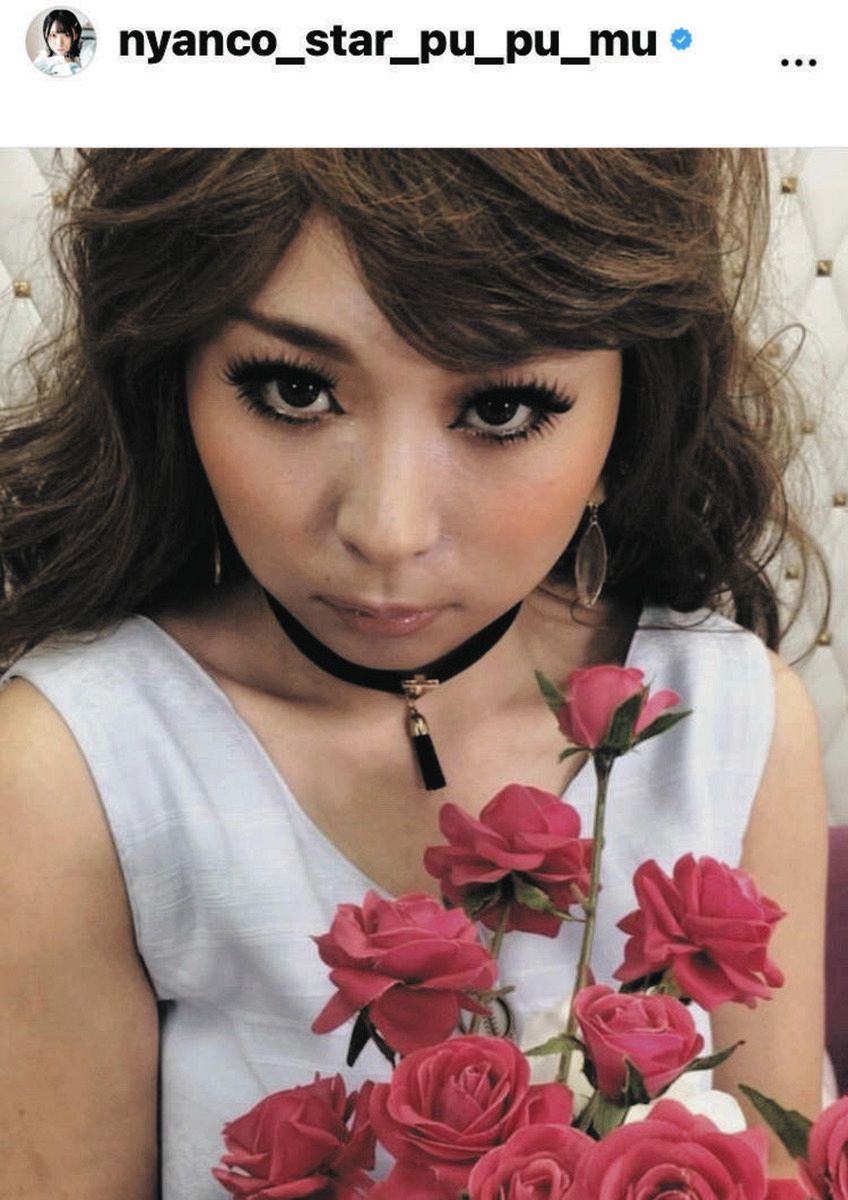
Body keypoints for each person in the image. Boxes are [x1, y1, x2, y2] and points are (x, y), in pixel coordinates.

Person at [0, 150, 829, 1197]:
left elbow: (775, 1166)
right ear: (173, 380)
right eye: (295, 390)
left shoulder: (730, 724)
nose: (387, 530)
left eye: (500, 409)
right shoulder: (74, 767)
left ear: (632, 407)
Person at [32, 9, 84, 77]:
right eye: (53, 35)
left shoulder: (84, 55)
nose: (60, 43)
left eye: (67, 35)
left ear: (76, 35)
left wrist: (71, 63)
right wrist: (61, 59)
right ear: (46, 34)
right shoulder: (42, 59)